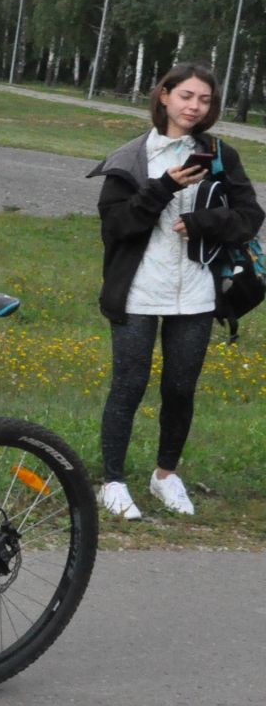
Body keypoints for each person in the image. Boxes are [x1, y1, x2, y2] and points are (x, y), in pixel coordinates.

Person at [88, 62, 262, 520]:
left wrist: (205, 222)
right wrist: (164, 187)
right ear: (163, 96)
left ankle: (165, 475)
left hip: (198, 292)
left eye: (204, 100)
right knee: (128, 386)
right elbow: (116, 227)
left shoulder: (220, 154)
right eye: (186, 96)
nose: (194, 107)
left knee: (181, 388)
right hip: (139, 289)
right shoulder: (131, 158)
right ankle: (113, 482)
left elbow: (250, 215)